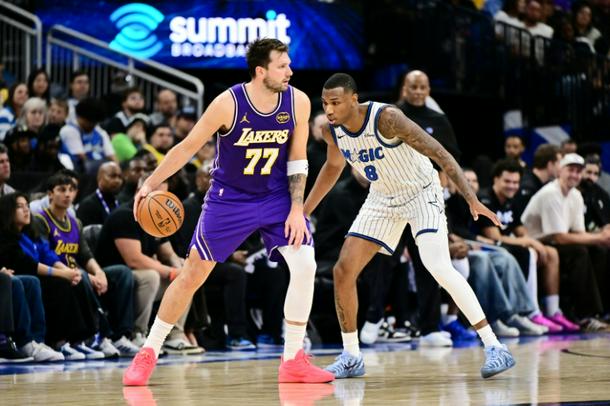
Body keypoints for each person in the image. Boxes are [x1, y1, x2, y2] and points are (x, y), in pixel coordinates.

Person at [123, 38, 334, 386]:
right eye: (282, 66)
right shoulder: (228, 103)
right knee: (192, 275)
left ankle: (293, 359)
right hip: (229, 199)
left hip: (276, 197)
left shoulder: (297, 101)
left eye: (289, 64)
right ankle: (148, 352)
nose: (291, 71)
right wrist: (150, 183)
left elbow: (298, 159)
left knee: (305, 264)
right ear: (261, 71)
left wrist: (298, 208)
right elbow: (188, 147)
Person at [303, 73, 515, 379]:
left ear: (353, 99)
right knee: (343, 270)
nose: (329, 110)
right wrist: (303, 212)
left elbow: (439, 152)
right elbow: (333, 167)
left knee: (437, 266)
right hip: (382, 196)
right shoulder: (330, 131)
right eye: (325, 104)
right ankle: (351, 356)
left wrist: (472, 199)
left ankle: (495, 346)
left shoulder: (387, 118)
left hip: (421, 192)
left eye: (335, 102)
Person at [77, 161, 123, 226]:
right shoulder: (87, 206)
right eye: (113, 176)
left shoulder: (121, 203)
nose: (117, 181)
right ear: (99, 177)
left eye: (120, 177)